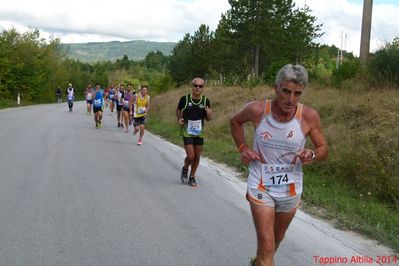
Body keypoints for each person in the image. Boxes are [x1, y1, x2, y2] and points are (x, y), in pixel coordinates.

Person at [229, 64, 328, 266]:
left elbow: (323, 148)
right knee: (266, 243)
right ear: (276, 88)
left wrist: (312, 154)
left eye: (297, 93)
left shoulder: (308, 116)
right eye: (286, 91)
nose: (291, 99)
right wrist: (242, 147)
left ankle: (259, 262)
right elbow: (235, 122)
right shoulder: (257, 110)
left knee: (275, 240)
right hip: (261, 182)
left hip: (290, 186)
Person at [176, 78, 212, 187]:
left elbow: (208, 118)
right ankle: (185, 168)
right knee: (191, 156)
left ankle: (192, 176)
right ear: (192, 86)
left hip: (199, 132)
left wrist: (209, 115)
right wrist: (179, 119)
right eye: (195, 85)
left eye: (200, 86)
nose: (197, 88)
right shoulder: (185, 99)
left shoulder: (206, 101)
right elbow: (178, 110)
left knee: (197, 157)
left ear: (203, 88)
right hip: (187, 131)